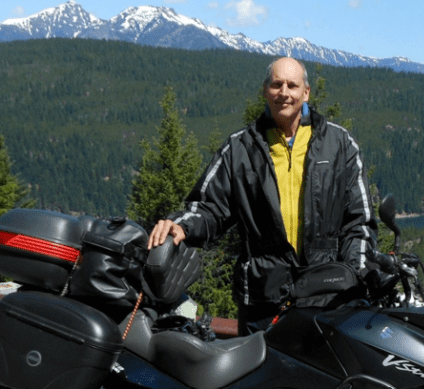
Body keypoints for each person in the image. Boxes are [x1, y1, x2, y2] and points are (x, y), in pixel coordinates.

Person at [149, 57, 377, 335]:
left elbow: (359, 222)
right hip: (262, 299)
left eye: (292, 85)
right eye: (276, 84)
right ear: (265, 90)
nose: (284, 92)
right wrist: (181, 225)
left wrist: (354, 276)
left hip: (326, 298)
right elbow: (210, 208)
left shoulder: (339, 144)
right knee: (260, 365)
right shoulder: (239, 148)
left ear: (306, 92)